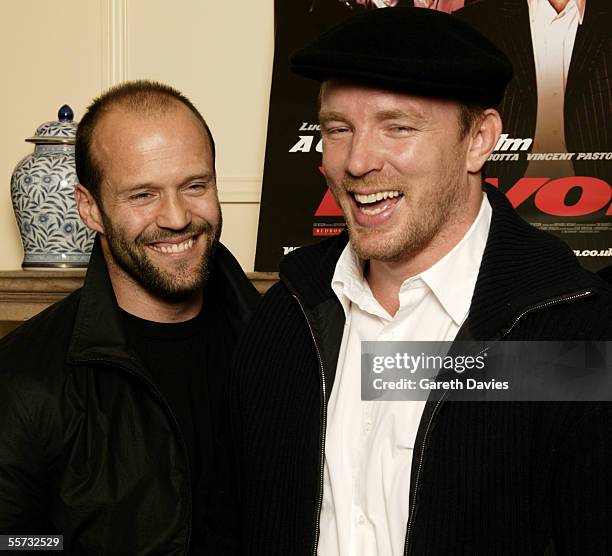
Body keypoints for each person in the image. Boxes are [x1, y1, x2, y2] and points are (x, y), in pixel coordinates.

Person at [219, 8, 612, 555]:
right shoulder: (287, 314)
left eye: (398, 127)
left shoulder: (572, 333)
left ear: (479, 140)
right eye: (338, 129)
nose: (357, 161)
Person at [0, 80, 260, 554]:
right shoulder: (23, 377)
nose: (178, 217)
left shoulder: (284, 342)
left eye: (196, 186)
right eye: (143, 195)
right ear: (90, 208)